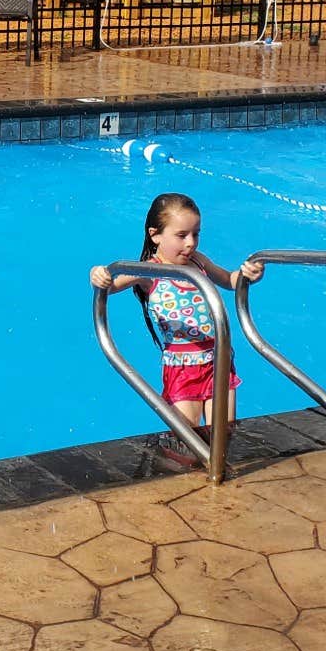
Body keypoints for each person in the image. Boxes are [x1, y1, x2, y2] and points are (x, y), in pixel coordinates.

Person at [91, 192, 263, 466]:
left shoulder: (199, 262)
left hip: (219, 361)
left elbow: (229, 280)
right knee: (188, 443)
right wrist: (98, 275)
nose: (191, 243)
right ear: (155, 235)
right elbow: (111, 286)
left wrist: (248, 275)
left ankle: (215, 478)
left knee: (224, 435)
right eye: (181, 235)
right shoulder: (149, 271)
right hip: (184, 368)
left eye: (196, 234)